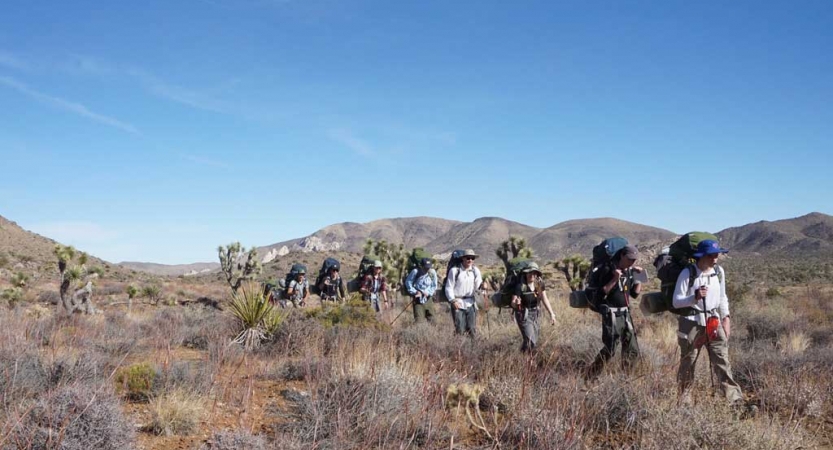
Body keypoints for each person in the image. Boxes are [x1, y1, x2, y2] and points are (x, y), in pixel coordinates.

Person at [673, 239, 745, 407]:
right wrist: (694, 298)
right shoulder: (687, 273)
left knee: (722, 360)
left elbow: (722, 297)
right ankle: (684, 402)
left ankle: (734, 400)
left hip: (714, 322)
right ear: (702, 256)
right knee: (688, 361)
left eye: (717, 255)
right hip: (691, 323)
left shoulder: (719, 272)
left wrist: (726, 318)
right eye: (712, 256)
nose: (715, 259)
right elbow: (676, 301)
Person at [586, 245, 644, 378]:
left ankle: (626, 378)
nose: (632, 262)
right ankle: (591, 375)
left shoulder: (629, 271)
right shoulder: (608, 269)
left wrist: (639, 278)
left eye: (634, 260)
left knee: (632, 349)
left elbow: (635, 294)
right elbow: (601, 294)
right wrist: (614, 279)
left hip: (625, 313)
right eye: (630, 259)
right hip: (611, 313)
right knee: (610, 348)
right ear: (622, 255)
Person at [511, 262, 556, 353]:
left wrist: (552, 314)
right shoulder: (520, 286)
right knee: (532, 341)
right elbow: (513, 303)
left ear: (537, 274)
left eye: (534, 273)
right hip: (523, 314)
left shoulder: (539, 284)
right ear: (526, 273)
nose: (532, 275)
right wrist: (516, 303)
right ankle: (528, 360)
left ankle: (521, 355)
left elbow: (544, 298)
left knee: (531, 340)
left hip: (536, 314)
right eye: (530, 272)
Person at [444, 249, 483, 337]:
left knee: (472, 329)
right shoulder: (455, 271)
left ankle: (472, 349)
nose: (470, 260)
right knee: (459, 330)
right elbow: (449, 287)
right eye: (468, 258)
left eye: (472, 258)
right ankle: (458, 349)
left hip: (471, 303)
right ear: (463, 259)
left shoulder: (475, 270)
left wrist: (482, 287)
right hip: (458, 303)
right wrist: (453, 301)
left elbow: (478, 286)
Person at [405, 257, 438, 323]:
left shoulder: (432, 272)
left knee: (433, 321)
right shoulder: (415, 272)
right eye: (426, 267)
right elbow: (408, 282)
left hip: (428, 298)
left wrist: (429, 293)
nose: (427, 269)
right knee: (419, 321)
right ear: (422, 266)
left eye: (429, 267)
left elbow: (434, 285)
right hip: (418, 299)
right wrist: (415, 292)